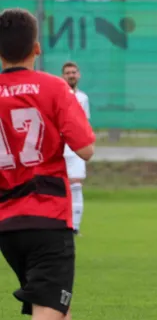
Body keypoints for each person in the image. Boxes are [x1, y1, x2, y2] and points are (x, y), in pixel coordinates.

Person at [0, 8, 95, 320]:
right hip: (49, 220)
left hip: (7, 224)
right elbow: (85, 148)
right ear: (36, 48)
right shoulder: (54, 87)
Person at [61, 61, 90, 236]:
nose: (71, 75)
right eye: (68, 73)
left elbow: (84, 124)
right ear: (63, 76)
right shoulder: (58, 95)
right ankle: (61, 223)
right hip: (59, 149)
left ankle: (75, 226)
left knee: (76, 185)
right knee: (58, 186)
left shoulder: (83, 98)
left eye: (74, 72)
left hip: (75, 149)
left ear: (78, 75)